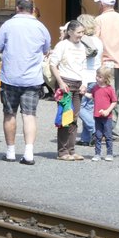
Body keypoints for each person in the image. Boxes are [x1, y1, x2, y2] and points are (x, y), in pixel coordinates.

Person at [0, 0, 51, 165]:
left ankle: (10, 152)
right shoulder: (41, 27)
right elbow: (46, 49)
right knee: (29, 115)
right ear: (33, 9)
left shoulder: (8, 25)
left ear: (17, 8)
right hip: (32, 79)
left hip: (10, 77)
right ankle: (29, 153)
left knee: (9, 114)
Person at [48, 20, 88, 160]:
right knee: (66, 117)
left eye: (83, 32)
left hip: (78, 85)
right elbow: (53, 65)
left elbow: (84, 67)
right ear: (70, 32)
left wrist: (84, 83)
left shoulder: (82, 47)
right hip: (66, 84)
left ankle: (72, 150)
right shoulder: (62, 45)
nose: (81, 35)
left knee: (74, 118)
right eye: (78, 32)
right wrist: (60, 82)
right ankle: (62, 152)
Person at [76, 15, 102, 146]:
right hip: (96, 77)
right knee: (89, 107)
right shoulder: (98, 41)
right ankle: (86, 138)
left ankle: (94, 130)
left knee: (77, 107)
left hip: (85, 77)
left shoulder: (82, 41)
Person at [95, 0, 119, 98]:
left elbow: (95, 40)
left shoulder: (99, 19)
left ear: (102, 4)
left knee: (105, 92)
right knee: (116, 93)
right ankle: (114, 111)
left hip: (106, 61)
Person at [91, 66, 117, 161]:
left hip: (107, 117)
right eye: (97, 75)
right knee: (98, 135)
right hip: (97, 116)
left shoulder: (109, 89)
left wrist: (107, 111)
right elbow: (92, 96)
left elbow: (114, 101)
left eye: (100, 76)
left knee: (108, 135)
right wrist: (84, 93)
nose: (97, 78)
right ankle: (97, 154)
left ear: (106, 78)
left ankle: (109, 153)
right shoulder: (95, 87)